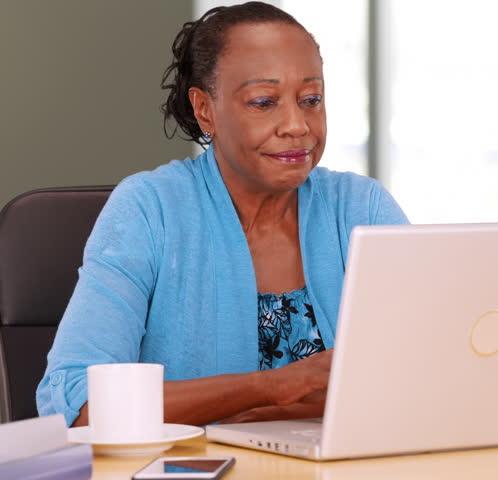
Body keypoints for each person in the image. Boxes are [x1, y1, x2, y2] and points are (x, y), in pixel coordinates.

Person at [36, 1, 408, 427]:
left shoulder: (362, 208)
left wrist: (254, 409)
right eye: (264, 102)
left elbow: (424, 377)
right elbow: (79, 407)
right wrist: (269, 387)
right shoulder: (148, 209)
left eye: (311, 99)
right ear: (205, 109)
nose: (297, 125)